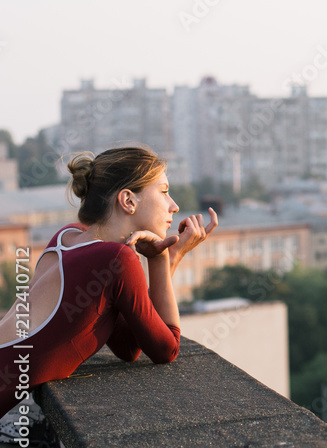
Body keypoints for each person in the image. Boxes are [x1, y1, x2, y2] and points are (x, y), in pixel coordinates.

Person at [0, 146, 218, 417]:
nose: (173, 205)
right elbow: (167, 348)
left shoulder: (67, 238)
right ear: (128, 200)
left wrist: (166, 260)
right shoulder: (116, 258)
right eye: (163, 191)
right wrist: (162, 260)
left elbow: (128, 346)